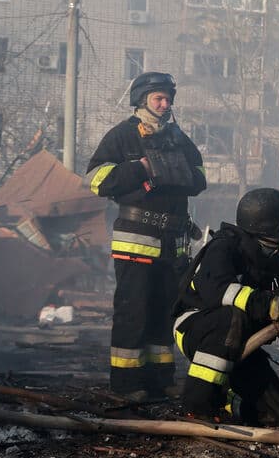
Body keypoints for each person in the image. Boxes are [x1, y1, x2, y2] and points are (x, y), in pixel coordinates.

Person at [172, 187, 279, 424]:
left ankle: (227, 400)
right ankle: (197, 406)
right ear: (268, 226)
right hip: (197, 327)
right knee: (233, 318)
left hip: (243, 343)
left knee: (277, 415)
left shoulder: (278, 265)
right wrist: (272, 306)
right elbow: (219, 292)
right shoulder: (224, 248)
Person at [85, 72, 206, 401]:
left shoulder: (178, 138)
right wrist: (140, 168)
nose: (165, 104)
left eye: (168, 98)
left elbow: (200, 177)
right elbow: (96, 180)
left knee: (164, 312)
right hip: (136, 240)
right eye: (159, 98)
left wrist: (180, 172)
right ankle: (126, 384)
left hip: (172, 243)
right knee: (133, 310)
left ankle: (160, 379)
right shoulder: (122, 136)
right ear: (142, 100)